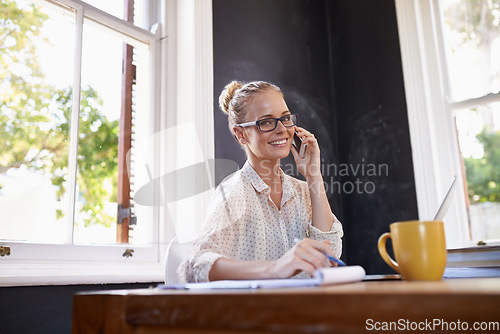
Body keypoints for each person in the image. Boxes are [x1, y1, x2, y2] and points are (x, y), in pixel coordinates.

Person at [177, 80, 343, 283]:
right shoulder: (234, 194)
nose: (282, 129)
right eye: (266, 122)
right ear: (240, 134)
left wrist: (313, 175)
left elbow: (330, 255)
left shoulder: (302, 191)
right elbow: (196, 265)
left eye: (285, 118)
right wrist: (276, 268)